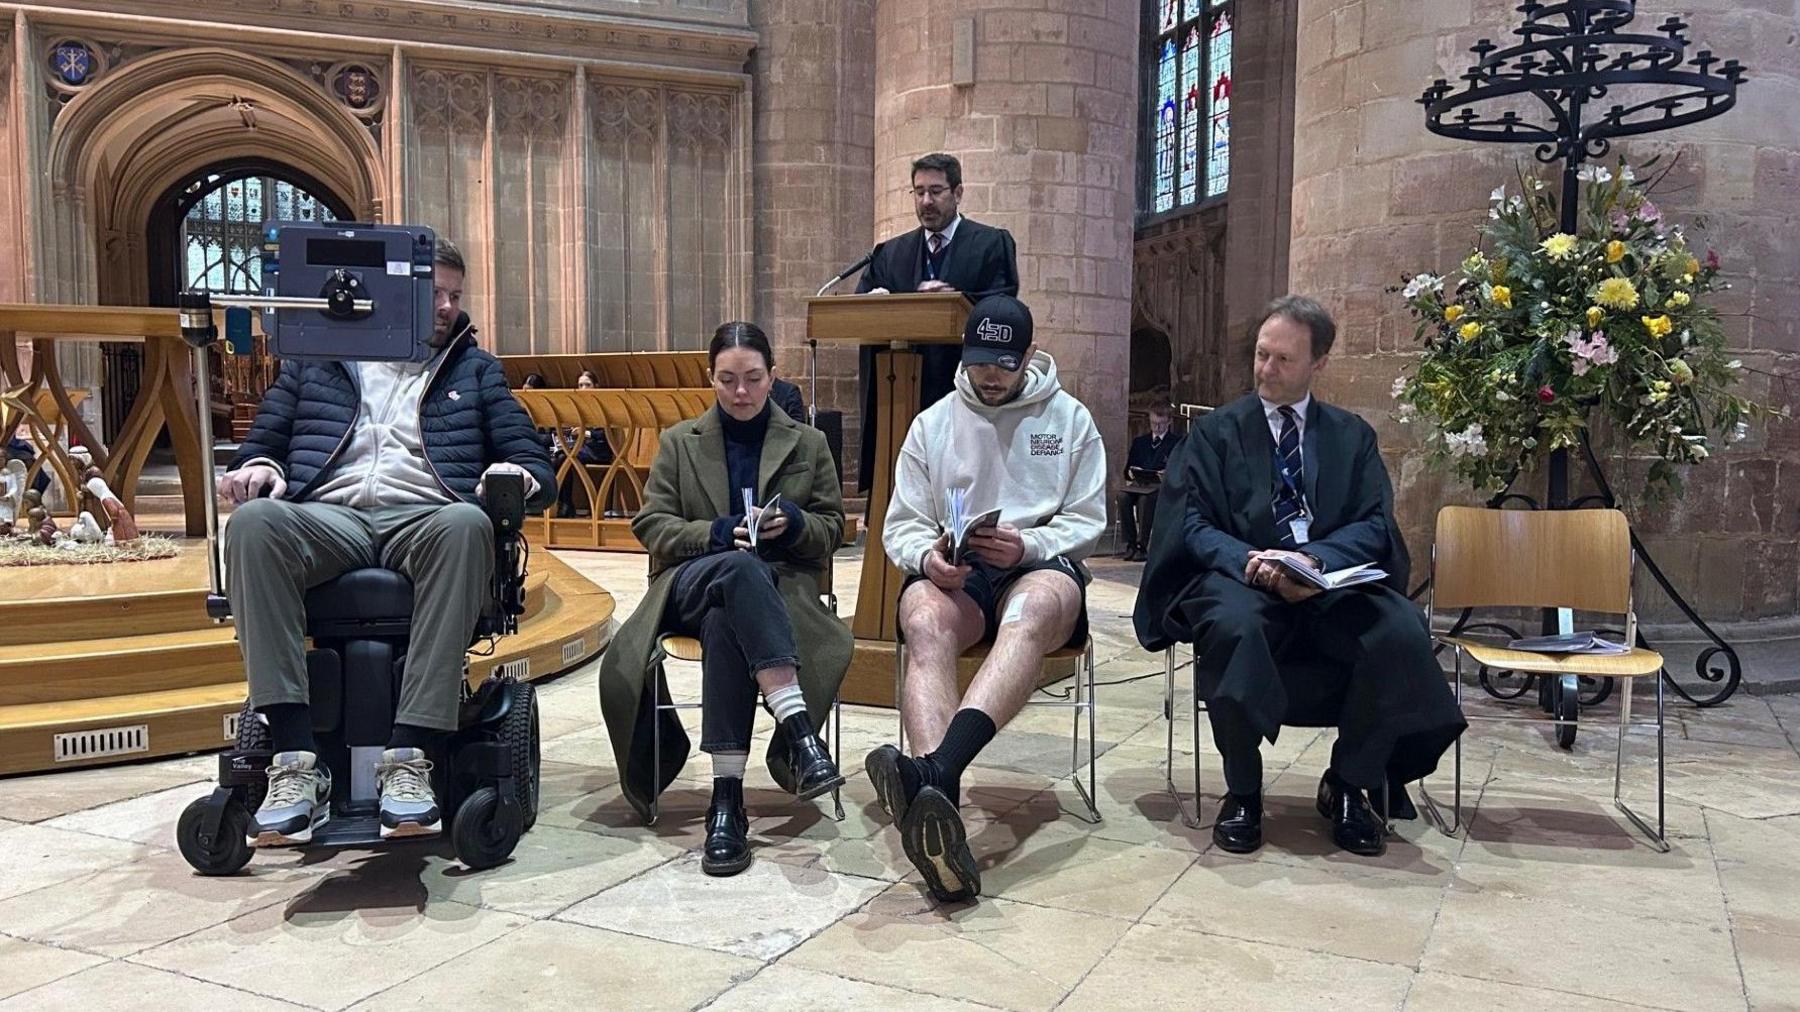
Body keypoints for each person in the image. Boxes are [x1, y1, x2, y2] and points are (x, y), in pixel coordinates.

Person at [219, 237, 556, 845]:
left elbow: (531, 461)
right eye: (435, 293)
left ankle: (411, 756)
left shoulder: (474, 369)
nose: (448, 306)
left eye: (456, 294)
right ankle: (295, 761)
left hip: (427, 515)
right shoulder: (317, 361)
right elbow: (262, 441)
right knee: (251, 524)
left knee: (468, 524)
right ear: (396, 292)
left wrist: (518, 477)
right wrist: (261, 465)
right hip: (329, 515)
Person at [1132, 295, 1465, 858]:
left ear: (1319, 363)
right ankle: (1242, 792)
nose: (1266, 369)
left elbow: (1373, 523)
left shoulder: (1350, 436)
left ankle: (1350, 784)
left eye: (1283, 360)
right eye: (1261, 355)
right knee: (1233, 626)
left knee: (1401, 629)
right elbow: (1190, 522)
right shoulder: (1217, 434)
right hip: (1242, 578)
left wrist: (1318, 563)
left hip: (1328, 579)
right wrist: (1253, 564)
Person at [864, 294, 1106, 903]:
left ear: (1028, 354)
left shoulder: (1070, 420)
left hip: (1040, 567)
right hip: (963, 573)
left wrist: (1030, 544)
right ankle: (936, 810)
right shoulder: (934, 423)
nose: (989, 375)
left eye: (1002, 362)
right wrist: (928, 558)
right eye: (978, 362)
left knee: (1028, 613)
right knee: (921, 616)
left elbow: (1087, 519)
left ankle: (936, 774)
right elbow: (901, 523)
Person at [598, 322, 852, 877]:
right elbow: (652, 524)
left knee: (726, 621)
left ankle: (726, 801)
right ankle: (798, 731)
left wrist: (796, 525)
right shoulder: (678, 441)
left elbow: (835, 527)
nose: (741, 392)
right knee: (736, 568)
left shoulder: (808, 442)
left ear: (773, 378)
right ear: (710, 379)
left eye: (753, 379)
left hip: (774, 593)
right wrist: (713, 534)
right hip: (690, 581)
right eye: (728, 380)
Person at [853, 152, 1019, 492]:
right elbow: (862, 304)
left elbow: (1002, 307)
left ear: (957, 193)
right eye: (918, 191)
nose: (926, 201)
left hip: (958, 391)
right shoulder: (889, 253)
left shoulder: (991, 244)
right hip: (898, 394)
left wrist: (953, 299)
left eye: (936, 191)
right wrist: (881, 303)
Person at [1118, 404, 1180, 561]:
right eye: (1154, 423)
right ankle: (1130, 543)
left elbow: (1180, 470)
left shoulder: (1176, 443)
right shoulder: (1140, 442)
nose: (1157, 427)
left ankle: (1142, 545)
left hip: (1160, 487)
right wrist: (1131, 471)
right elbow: (1127, 470)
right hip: (1139, 484)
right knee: (1122, 496)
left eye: (1161, 424)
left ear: (1169, 422)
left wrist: (1166, 474)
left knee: (1146, 500)